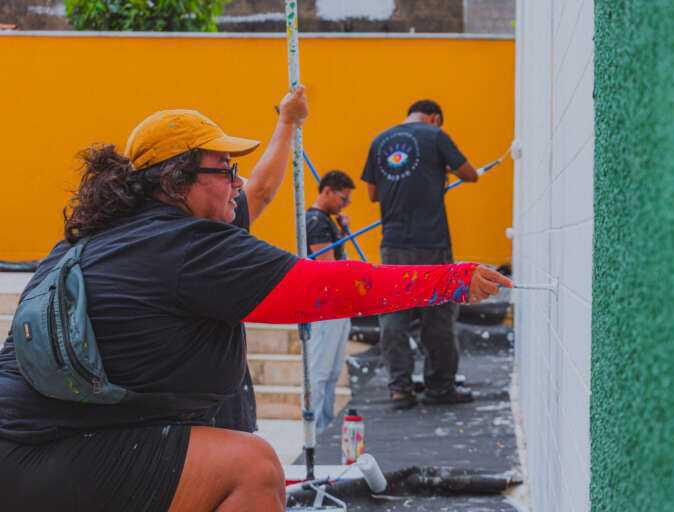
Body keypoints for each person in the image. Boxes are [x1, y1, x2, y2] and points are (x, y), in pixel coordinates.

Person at [0, 89, 510, 512]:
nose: (237, 182)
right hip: (41, 454)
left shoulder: (98, 238)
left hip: (35, 446)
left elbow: (260, 191)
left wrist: (287, 125)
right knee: (253, 467)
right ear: (177, 181)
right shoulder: (188, 248)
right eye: (224, 169)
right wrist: (452, 280)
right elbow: (326, 289)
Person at [361, 99, 480, 410]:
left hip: (394, 244)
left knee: (394, 314)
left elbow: (373, 194)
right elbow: (470, 174)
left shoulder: (380, 140)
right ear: (434, 118)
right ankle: (440, 387)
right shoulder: (435, 135)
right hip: (432, 243)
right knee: (438, 315)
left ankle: (400, 388)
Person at [305, 170, 356, 431]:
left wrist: (344, 227)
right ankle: (315, 429)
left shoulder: (328, 220)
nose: (344, 205)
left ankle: (324, 426)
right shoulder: (316, 222)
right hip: (324, 306)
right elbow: (328, 268)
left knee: (333, 373)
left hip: (336, 307)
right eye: (343, 199)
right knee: (320, 372)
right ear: (327, 191)